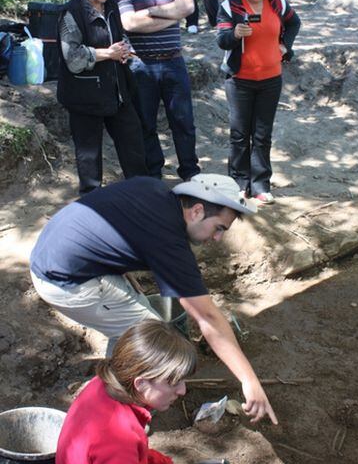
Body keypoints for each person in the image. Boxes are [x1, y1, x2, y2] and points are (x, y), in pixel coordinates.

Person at [30, 173, 277, 424]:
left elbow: (115, 221)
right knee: (153, 347)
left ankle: (117, 386)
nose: (217, 238)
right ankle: (118, 417)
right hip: (64, 280)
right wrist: (249, 381)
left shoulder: (157, 190)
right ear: (197, 210)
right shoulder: (169, 240)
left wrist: (120, 265)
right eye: (218, 228)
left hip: (55, 252)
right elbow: (208, 317)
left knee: (143, 328)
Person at [56, 320, 239, 464]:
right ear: (141, 383)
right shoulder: (119, 445)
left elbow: (130, 457)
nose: (182, 391)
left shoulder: (102, 385)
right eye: (174, 383)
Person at [57, 0, 147, 195]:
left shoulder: (113, 6)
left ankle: (141, 195)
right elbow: (73, 59)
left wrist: (125, 49)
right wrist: (107, 54)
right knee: (89, 158)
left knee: (134, 147)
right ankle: (92, 208)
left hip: (117, 92)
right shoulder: (72, 12)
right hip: (84, 97)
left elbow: (120, 38)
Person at [114, 0, 200, 182]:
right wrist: (172, 14)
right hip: (141, 65)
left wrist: (151, 12)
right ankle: (153, 175)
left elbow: (189, 6)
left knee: (184, 122)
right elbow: (129, 23)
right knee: (145, 125)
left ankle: (190, 173)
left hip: (174, 62)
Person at [217, 0, 301, 205]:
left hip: (271, 79)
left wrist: (286, 46)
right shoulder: (231, 5)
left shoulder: (277, 2)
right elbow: (222, 40)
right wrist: (234, 34)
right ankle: (238, 185)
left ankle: (261, 185)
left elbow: (294, 23)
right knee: (239, 135)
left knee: (263, 135)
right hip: (239, 81)